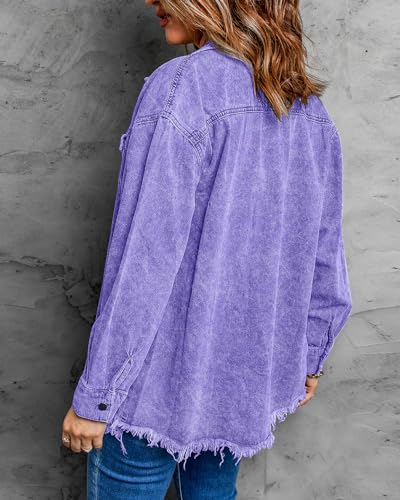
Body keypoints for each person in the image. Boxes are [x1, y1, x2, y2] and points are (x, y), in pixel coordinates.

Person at [61, 0, 353, 498]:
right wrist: (308, 354)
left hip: (150, 389)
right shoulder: (307, 108)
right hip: (235, 387)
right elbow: (325, 253)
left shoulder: (182, 87)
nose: (152, 1)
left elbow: (144, 258)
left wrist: (99, 397)